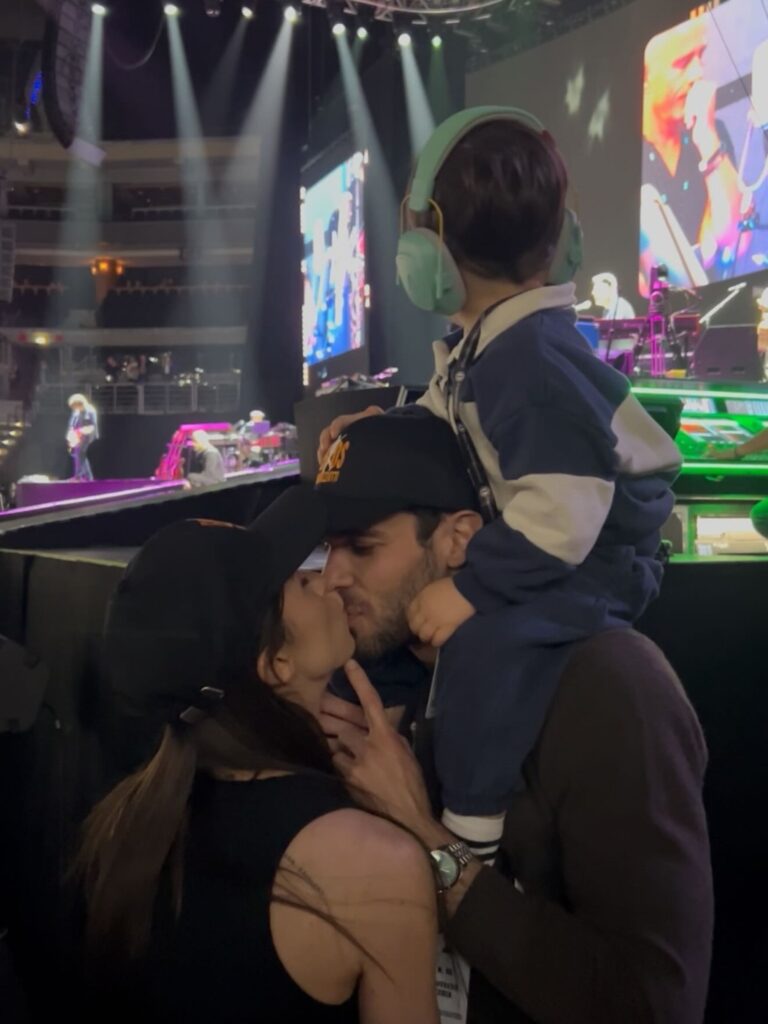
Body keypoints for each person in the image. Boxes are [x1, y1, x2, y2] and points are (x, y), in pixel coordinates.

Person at [319, 108, 682, 863]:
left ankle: (471, 837)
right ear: (563, 237)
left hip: (600, 561)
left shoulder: (527, 363)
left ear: (428, 255)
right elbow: (450, 410)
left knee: (482, 650)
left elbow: (565, 513)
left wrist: (473, 589)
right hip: (573, 543)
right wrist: (381, 422)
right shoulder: (494, 342)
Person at [316, 413, 713, 1024]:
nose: (332, 578)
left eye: (362, 547)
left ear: (458, 538)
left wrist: (422, 835)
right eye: (328, 547)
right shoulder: (387, 681)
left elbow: (652, 1005)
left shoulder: (608, 684)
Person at [74, 489, 439, 1024]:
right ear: (276, 664)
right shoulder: (375, 864)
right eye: (300, 581)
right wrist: (426, 836)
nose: (327, 579)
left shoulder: (123, 822)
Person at [640, 16, 750, 290]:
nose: (697, 73)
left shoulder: (712, 131)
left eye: (700, 56)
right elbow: (645, 281)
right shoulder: (631, 156)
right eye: (682, 63)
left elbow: (729, 238)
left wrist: (707, 136)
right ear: (645, 76)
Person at [66, 393, 98, 481]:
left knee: (80, 454)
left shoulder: (90, 410)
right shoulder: (76, 411)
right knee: (79, 455)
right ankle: (86, 477)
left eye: (74, 406)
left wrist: (81, 431)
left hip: (86, 436)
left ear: (80, 403)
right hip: (76, 437)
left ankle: (79, 476)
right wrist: (71, 435)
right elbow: (72, 424)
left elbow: (92, 425)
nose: (73, 409)